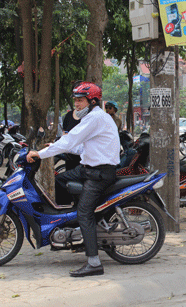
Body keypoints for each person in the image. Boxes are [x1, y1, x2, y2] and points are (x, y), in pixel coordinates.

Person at [27, 82, 120, 277]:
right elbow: (79, 146)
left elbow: (70, 140)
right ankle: (73, 224)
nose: (76, 105)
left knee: (84, 212)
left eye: (80, 101)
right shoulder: (94, 118)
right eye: (75, 101)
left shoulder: (94, 118)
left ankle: (94, 263)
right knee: (61, 179)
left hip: (99, 174)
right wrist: (54, 146)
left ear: (92, 101)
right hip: (88, 169)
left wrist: (40, 153)